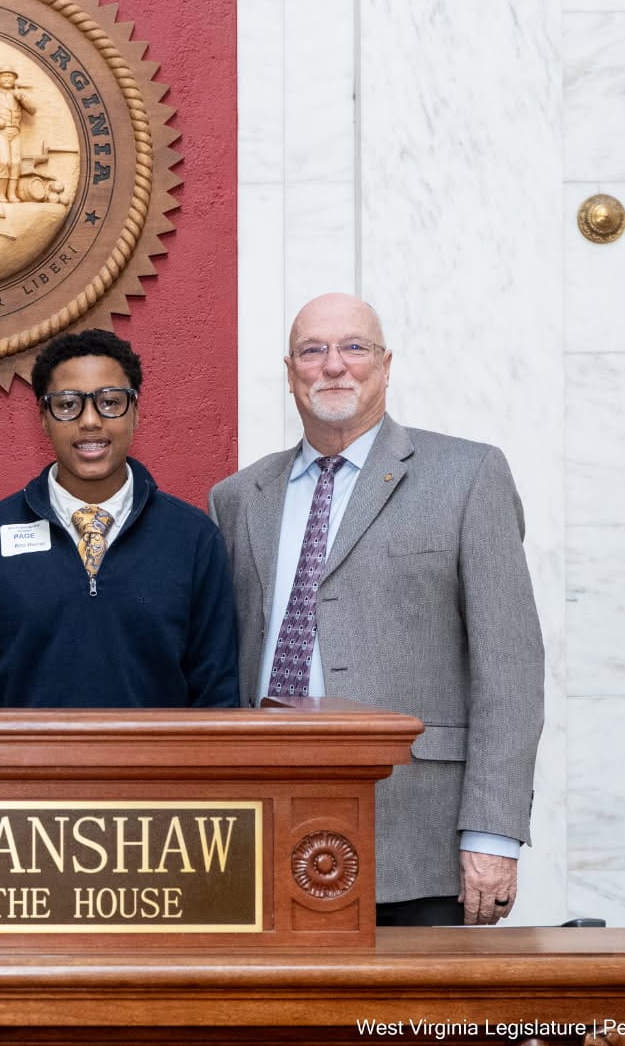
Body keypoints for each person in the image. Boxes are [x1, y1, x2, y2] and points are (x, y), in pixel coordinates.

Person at [208, 292, 545, 927]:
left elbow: (511, 670)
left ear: (386, 365)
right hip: (264, 823)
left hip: (419, 835)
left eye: (354, 348)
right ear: (289, 373)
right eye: (313, 350)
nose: (334, 365)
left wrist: (493, 835)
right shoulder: (237, 498)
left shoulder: (468, 475)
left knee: (416, 1027)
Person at [0, 329, 239, 709]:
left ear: (135, 412)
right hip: (26, 767)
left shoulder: (193, 538)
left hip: (156, 767)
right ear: (43, 417)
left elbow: (216, 691)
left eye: (110, 402)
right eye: (68, 404)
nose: (90, 421)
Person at [0, 65, 37, 203]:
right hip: (0, 132)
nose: (6, 78)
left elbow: (33, 110)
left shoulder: (18, 95)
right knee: (5, 161)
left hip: (15, 132)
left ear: (15, 79)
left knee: (16, 163)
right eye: (3, 76)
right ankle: (0, 195)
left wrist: (22, 98)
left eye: (10, 76)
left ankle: (11, 194)